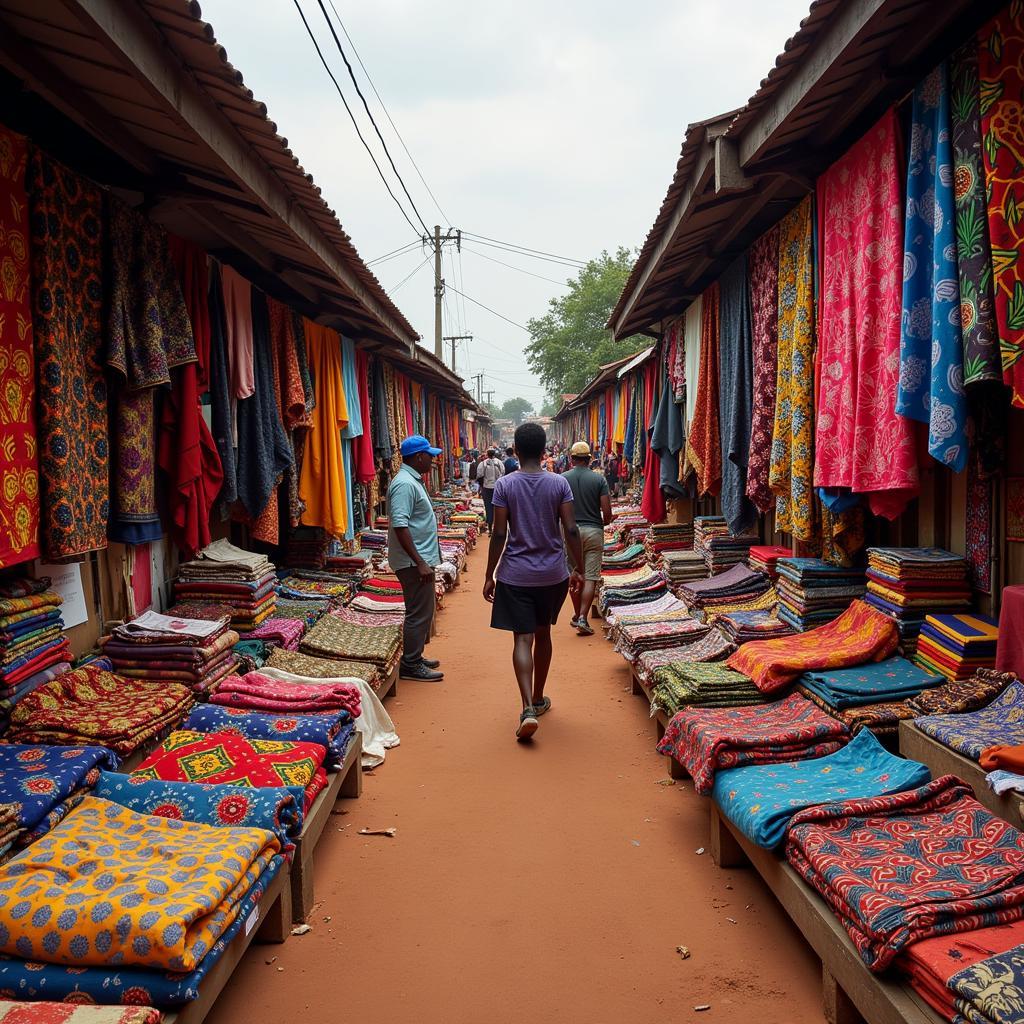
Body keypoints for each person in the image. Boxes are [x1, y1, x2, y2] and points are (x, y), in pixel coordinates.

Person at [484, 422, 584, 741]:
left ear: (515, 451)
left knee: (522, 640)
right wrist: (579, 568)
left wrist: (489, 574)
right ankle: (539, 697)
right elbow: (570, 529)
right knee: (544, 633)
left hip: (516, 574)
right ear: (544, 452)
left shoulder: (504, 485)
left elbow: (499, 532)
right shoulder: (558, 484)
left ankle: (527, 706)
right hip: (553, 573)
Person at [387, 435, 444, 681]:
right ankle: (411, 665)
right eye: (429, 455)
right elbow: (400, 525)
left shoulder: (411, 480)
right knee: (418, 613)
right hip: (413, 562)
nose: (433, 460)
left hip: (418, 558)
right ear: (418, 456)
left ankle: (415, 656)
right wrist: (420, 562)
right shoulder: (404, 484)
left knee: (422, 610)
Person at [562, 441, 612, 635]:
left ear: (571, 459)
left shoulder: (562, 479)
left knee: (575, 574)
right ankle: (583, 617)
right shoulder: (599, 480)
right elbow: (607, 512)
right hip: (593, 531)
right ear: (590, 459)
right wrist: (604, 522)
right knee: (590, 577)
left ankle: (577, 614)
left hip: (571, 532)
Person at [478, 447, 505, 533]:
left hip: (487, 488)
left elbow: (479, 475)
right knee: (497, 507)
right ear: (494, 454)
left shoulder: (483, 464)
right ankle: (497, 527)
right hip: (497, 488)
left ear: (487, 454)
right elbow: (503, 473)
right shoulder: (499, 463)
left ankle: (490, 528)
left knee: (488, 507)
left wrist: (482, 486)